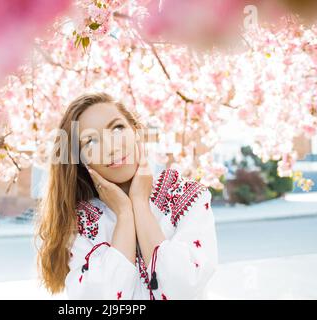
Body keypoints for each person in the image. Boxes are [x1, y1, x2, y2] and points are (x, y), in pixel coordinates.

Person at [36, 92, 218, 300]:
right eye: (91, 142)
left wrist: (140, 204)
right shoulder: (80, 224)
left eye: (118, 128)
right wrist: (124, 214)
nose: (112, 147)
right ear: (81, 161)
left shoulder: (188, 198)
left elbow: (182, 289)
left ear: (136, 131)